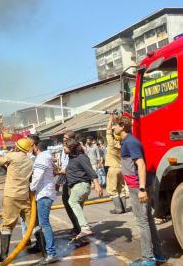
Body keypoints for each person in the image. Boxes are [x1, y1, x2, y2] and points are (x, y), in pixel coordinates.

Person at [113, 116, 166, 265]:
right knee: (148, 220)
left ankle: (148, 258)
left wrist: (142, 189)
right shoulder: (128, 141)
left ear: (122, 126)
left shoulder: (131, 142)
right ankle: (158, 255)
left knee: (143, 222)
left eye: (115, 125)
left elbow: (141, 165)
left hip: (138, 187)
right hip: (137, 186)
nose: (113, 128)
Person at [0, 138, 33, 261]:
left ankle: (3, 255)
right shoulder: (29, 161)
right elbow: (15, 171)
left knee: (7, 224)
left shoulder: (12, 156)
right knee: (32, 223)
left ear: (17, 147)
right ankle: (44, 250)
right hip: (25, 195)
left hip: (11, 195)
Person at [65, 138, 103, 239]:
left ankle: (85, 228)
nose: (63, 148)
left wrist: (97, 185)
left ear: (71, 148)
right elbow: (75, 170)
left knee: (72, 202)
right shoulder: (72, 158)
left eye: (65, 146)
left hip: (81, 185)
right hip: (76, 186)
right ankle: (82, 232)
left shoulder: (81, 157)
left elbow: (90, 171)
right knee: (78, 208)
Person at [30, 141, 58, 264]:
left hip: (44, 194)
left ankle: (51, 253)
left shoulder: (41, 158)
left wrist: (31, 188)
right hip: (45, 193)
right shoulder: (46, 156)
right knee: (44, 223)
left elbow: (37, 177)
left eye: (31, 146)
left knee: (44, 223)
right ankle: (50, 251)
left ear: (36, 147)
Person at [56, 130, 81, 235]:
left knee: (73, 203)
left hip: (74, 180)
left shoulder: (78, 150)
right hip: (66, 178)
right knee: (67, 202)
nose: (64, 140)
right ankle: (76, 226)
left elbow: (70, 167)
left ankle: (80, 228)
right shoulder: (64, 150)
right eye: (64, 138)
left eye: (66, 139)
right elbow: (64, 165)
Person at [105, 114, 126, 214]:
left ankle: (118, 209)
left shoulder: (111, 144)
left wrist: (110, 120)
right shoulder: (122, 145)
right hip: (121, 168)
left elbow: (108, 131)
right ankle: (124, 208)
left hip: (113, 169)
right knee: (121, 188)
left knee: (111, 189)